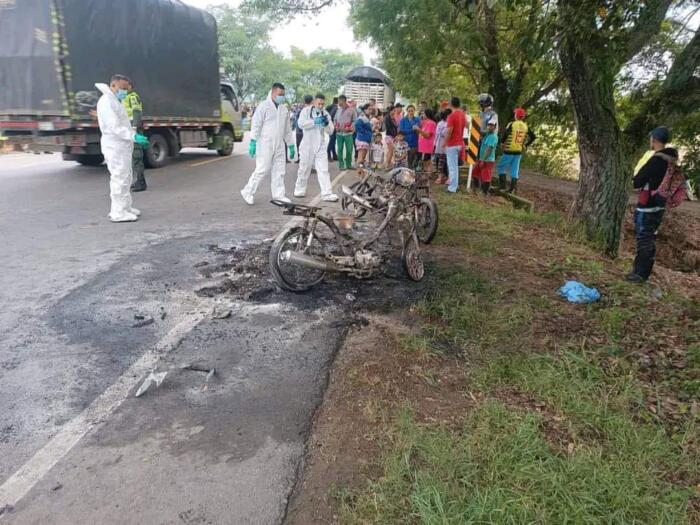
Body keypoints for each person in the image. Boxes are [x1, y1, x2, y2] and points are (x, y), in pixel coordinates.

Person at [626, 127, 679, 283]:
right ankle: (643, 272)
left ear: (654, 139)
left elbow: (638, 181)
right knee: (650, 237)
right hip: (660, 205)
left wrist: (636, 179)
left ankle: (639, 274)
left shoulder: (657, 160)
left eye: (651, 138)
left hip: (647, 205)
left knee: (644, 238)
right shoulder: (672, 160)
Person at [95, 74, 147, 222]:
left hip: (121, 145)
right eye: (122, 88)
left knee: (127, 176)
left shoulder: (115, 101)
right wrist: (133, 136)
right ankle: (117, 212)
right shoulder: (106, 102)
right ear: (113, 86)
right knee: (119, 178)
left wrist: (132, 135)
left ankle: (126, 207)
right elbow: (114, 127)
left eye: (126, 88)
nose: (124, 91)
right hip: (115, 145)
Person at [241, 82, 295, 205]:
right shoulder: (263, 106)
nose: (282, 96)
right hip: (265, 143)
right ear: (273, 92)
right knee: (262, 169)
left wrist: (290, 144)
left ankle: (278, 195)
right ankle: (247, 191)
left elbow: (287, 129)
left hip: (279, 144)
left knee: (280, 170)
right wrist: (253, 141)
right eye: (280, 94)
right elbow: (256, 124)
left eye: (283, 94)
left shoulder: (284, 109)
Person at [293, 93, 339, 202]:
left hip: (321, 145)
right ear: (314, 102)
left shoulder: (325, 114)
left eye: (323, 104)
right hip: (307, 145)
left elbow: (331, 131)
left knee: (323, 170)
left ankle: (327, 193)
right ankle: (299, 190)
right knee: (304, 168)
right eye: (319, 103)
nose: (321, 106)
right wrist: (315, 122)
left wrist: (326, 124)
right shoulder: (306, 111)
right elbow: (300, 124)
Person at [497, 107, 536, 193]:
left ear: (516, 115)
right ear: (523, 117)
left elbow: (505, 134)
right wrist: (526, 145)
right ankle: (511, 189)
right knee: (514, 170)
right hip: (518, 152)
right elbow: (533, 137)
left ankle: (502, 186)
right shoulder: (525, 126)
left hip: (509, 150)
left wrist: (502, 143)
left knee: (500, 166)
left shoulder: (512, 124)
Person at [123, 80, 147, 192]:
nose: (123, 89)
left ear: (131, 87)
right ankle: (137, 180)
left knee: (137, 156)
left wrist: (134, 127)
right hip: (128, 129)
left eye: (125, 86)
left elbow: (137, 112)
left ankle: (141, 182)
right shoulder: (123, 98)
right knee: (132, 157)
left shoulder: (132, 97)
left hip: (134, 129)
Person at [444, 97, 467, 193]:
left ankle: (452, 188)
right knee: (455, 167)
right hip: (460, 142)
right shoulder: (462, 115)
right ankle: (454, 185)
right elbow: (465, 126)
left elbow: (449, 131)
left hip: (452, 143)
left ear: (451, 104)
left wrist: (445, 142)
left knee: (452, 167)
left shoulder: (451, 116)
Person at [473, 118, 498, 195]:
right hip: (482, 159)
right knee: (475, 172)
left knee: (486, 176)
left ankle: (485, 192)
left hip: (488, 160)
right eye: (489, 125)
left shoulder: (493, 137)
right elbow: (481, 132)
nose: (489, 127)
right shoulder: (487, 134)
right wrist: (473, 125)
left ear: (495, 127)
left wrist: (483, 160)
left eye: (491, 126)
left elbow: (489, 149)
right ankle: (477, 189)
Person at [334, 95, 356, 170]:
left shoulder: (352, 110)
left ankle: (349, 164)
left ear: (344, 101)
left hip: (348, 134)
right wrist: (335, 126)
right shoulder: (338, 110)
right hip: (339, 133)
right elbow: (335, 119)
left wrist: (350, 128)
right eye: (338, 101)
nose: (339, 103)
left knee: (349, 150)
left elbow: (354, 121)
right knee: (339, 149)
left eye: (340, 101)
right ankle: (341, 165)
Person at [417, 108, 437, 178]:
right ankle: (429, 173)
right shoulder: (424, 122)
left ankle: (429, 173)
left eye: (423, 113)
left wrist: (419, 130)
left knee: (426, 160)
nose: (422, 115)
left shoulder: (431, 123)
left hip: (427, 145)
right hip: (422, 145)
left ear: (427, 114)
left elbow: (427, 135)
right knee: (426, 160)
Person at [433, 108, 451, 184]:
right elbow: (437, 134)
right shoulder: (440, 123)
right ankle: (440, 177)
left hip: (449, 144)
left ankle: (449, 177)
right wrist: (434, 144)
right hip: (441, 145)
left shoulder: (451, 123)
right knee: (441, 161)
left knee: (449, 162)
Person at [294, 96, 313, 163]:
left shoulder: (301, 110)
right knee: (306, 148)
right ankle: (302, 160)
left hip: (300, 131)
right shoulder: (311, 110)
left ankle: (303, 161)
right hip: (304, 131)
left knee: (302, 147)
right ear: (312, 101)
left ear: (304, 101)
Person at [383, 104, 400, 168]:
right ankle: (387, 164)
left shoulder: (392, 117)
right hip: (389, 136)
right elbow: (389, 128)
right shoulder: (387, 118)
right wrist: (395, 135)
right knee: (390, 150)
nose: (395, 112)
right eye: (394, 110)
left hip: (392, 136)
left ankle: (388, 163)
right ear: (391, 110)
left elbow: (395, 127)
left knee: (390, 150)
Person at [326, 97, 339, 161]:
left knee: (332, 141)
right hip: (333, 125)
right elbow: (331, 116)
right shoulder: (335, 108)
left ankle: (334, 155)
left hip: (329, 125)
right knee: (332, 141)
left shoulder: (329, 106)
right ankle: (328, 155)